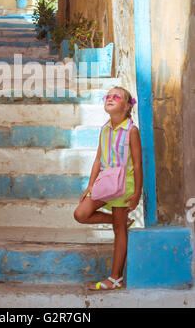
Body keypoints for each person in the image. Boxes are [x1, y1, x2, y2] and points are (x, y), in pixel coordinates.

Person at [73, 87, 143, 290]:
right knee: (81, 213)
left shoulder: (132, 131)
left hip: (123, 185)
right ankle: (120, 219)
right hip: (105, 182)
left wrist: (137, 192)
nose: (110, 98)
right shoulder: (104, 129)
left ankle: (115, 278)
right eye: (108, 96)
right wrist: (90, 185)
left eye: (116, 96)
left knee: (119, 230)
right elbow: (97, 160)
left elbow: (137, 165)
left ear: (127, 106)